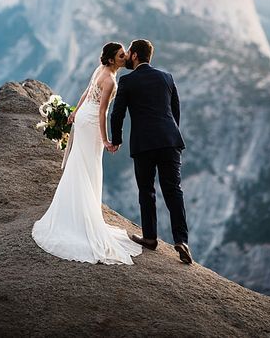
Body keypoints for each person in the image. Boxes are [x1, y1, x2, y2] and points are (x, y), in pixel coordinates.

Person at [32, 42, 142, 264]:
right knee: (90, 167)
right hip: (91, 124)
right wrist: (105, 139)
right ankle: (85, 217)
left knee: (79, 164)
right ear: (112, 60)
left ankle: (74, 212)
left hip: (83, 119)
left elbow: (86, 91)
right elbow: (102, 112)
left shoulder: (100, 70)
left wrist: (76, 112)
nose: (125, 57)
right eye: (121, 55)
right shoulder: (110, 80)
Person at [110, 39, 193, 264]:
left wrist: (115, 139)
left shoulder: (127, 81)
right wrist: (168, 135)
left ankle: (149, 238)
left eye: (129, 53)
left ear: (135, 55)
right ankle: (182, 241)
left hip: (144, 143)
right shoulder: (167, 77)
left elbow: (117, 114)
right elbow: (175, 112)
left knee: (147, 190)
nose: (126, 56)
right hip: (169, 141)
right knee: (173, 190)